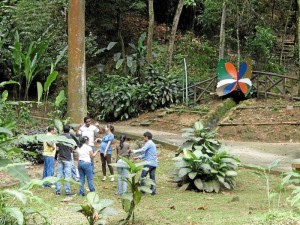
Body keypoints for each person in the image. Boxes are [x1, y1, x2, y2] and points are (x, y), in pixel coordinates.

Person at [55, 125, 75, 196]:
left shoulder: (59, 137)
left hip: (60, 158)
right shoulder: (70, 138)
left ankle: (57, 191)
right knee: (67, 176)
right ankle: (67, 191)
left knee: (59, 175)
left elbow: (57, 145)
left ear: (63, 130)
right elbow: (72, 148)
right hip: (67, 159)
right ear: (69, 130)